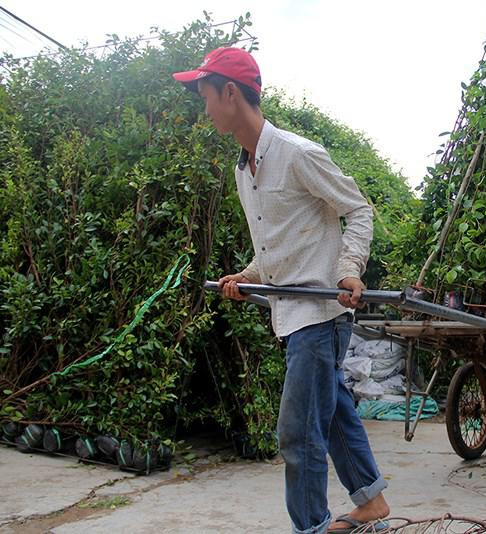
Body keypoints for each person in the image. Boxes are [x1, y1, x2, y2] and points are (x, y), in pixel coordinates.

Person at [172, 47, 390, 534]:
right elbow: (279, 245)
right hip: (290, 315)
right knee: (332, 416)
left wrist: (349, 270)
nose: (204, 109)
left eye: (206, 96)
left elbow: (357, 210)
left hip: (320, 315)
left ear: (231, 93)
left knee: (297, 436)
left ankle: (309, 527)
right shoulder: (244, 169)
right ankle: (371, 503)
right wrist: (247, 274)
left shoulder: (299, 154)